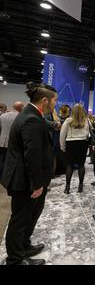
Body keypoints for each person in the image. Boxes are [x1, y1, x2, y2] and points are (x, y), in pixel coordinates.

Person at [0, 82, 57, 265]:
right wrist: (37, 184)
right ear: (45, 100)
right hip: (24, 181)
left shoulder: (32, 115)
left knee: (30, 215)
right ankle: (15, 259)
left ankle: (23, 246)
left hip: (27, 179)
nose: (56, 104)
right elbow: (31, 155)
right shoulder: (31, 118)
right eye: (55, 100)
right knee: (20, 220)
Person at [60, 104, 90, 194]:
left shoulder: (68, 120)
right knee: (81, 165)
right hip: (82, 143)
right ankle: (80, 186)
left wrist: (62, 146)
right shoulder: (86, 120)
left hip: (70, 144)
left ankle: (67, 188)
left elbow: (62, 134)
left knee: (69, 165)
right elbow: (87, 133)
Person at [0, 101, 24, 176]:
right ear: (21, 108)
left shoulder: (2, 116)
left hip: (2, 141)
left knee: (2, 160)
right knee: (12, 162)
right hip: (13, 143)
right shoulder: (20, 117)